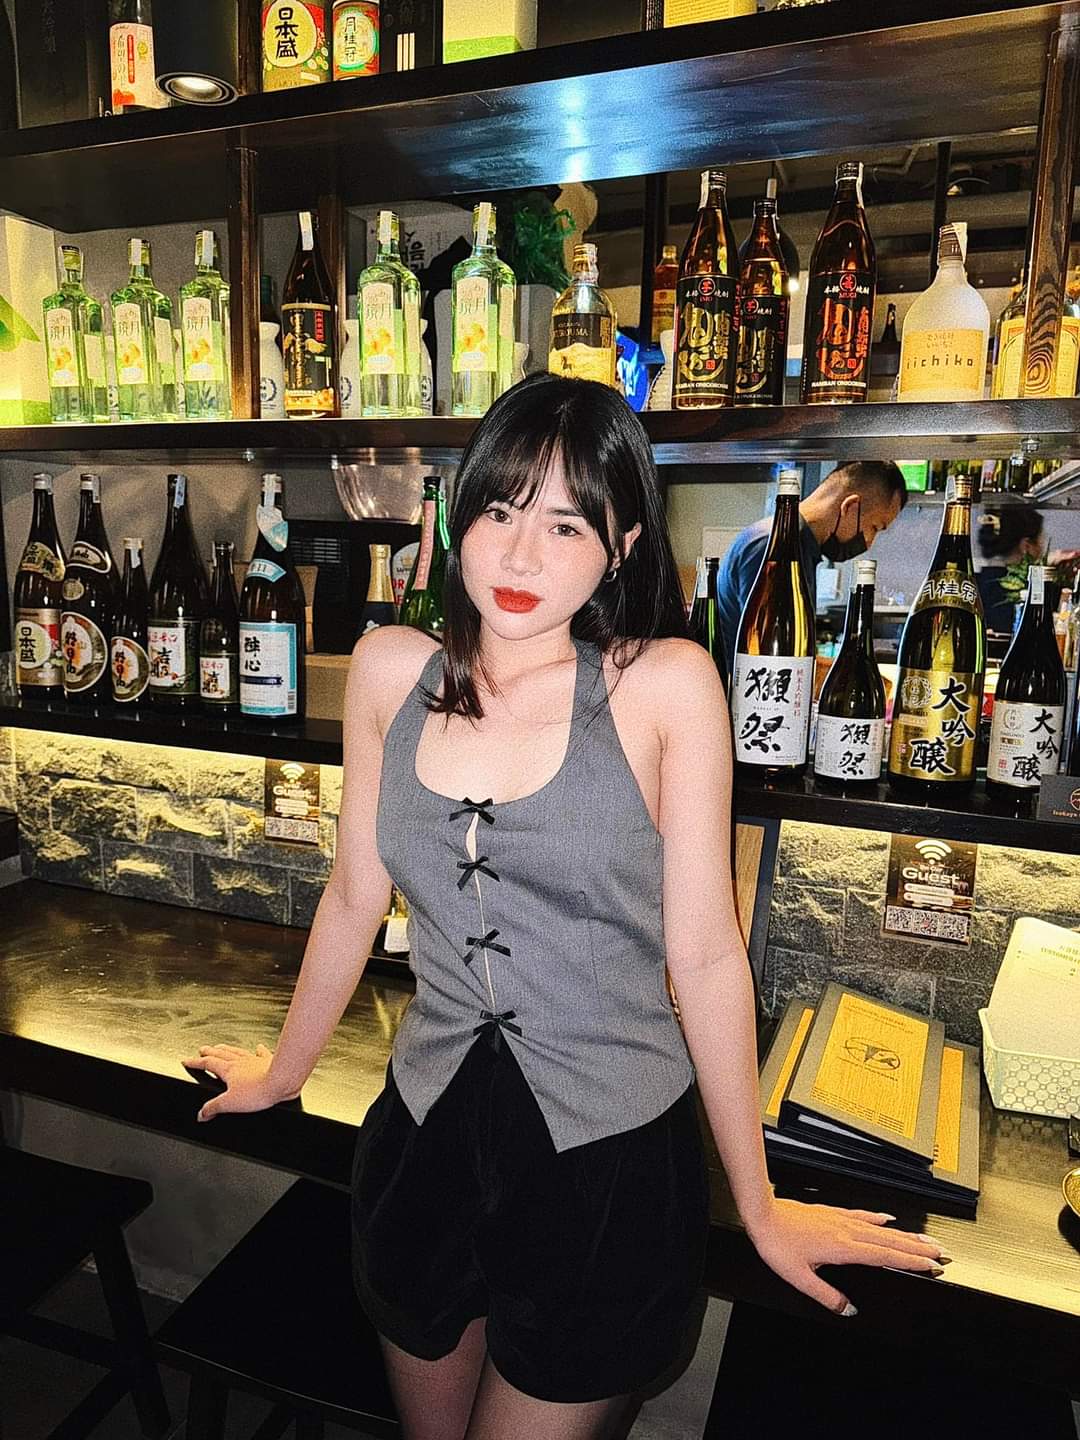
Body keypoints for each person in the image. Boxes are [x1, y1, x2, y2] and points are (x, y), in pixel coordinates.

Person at [182, 377, 944, 1440]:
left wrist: (758, 1205)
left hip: (608, 1169)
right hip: (425, 1146)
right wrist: (283, 1071)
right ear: (459, 517)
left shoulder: (666, 685)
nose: (521, 555)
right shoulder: (389, 670)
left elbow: (706, 957)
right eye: (499, 510)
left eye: (566, 524)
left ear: (622, 544)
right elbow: (354, 894)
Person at [715, 460, 908, 668]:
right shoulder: (773, 546)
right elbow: (772, 658)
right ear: (850, 506)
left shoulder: (798, 547)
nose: (869, 542)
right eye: (875, 527)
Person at [976, 502, 1045, 634]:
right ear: (1026, 546)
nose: (1042, 550)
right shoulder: (1023, 593)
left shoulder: (975, 582)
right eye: (1041, 543)